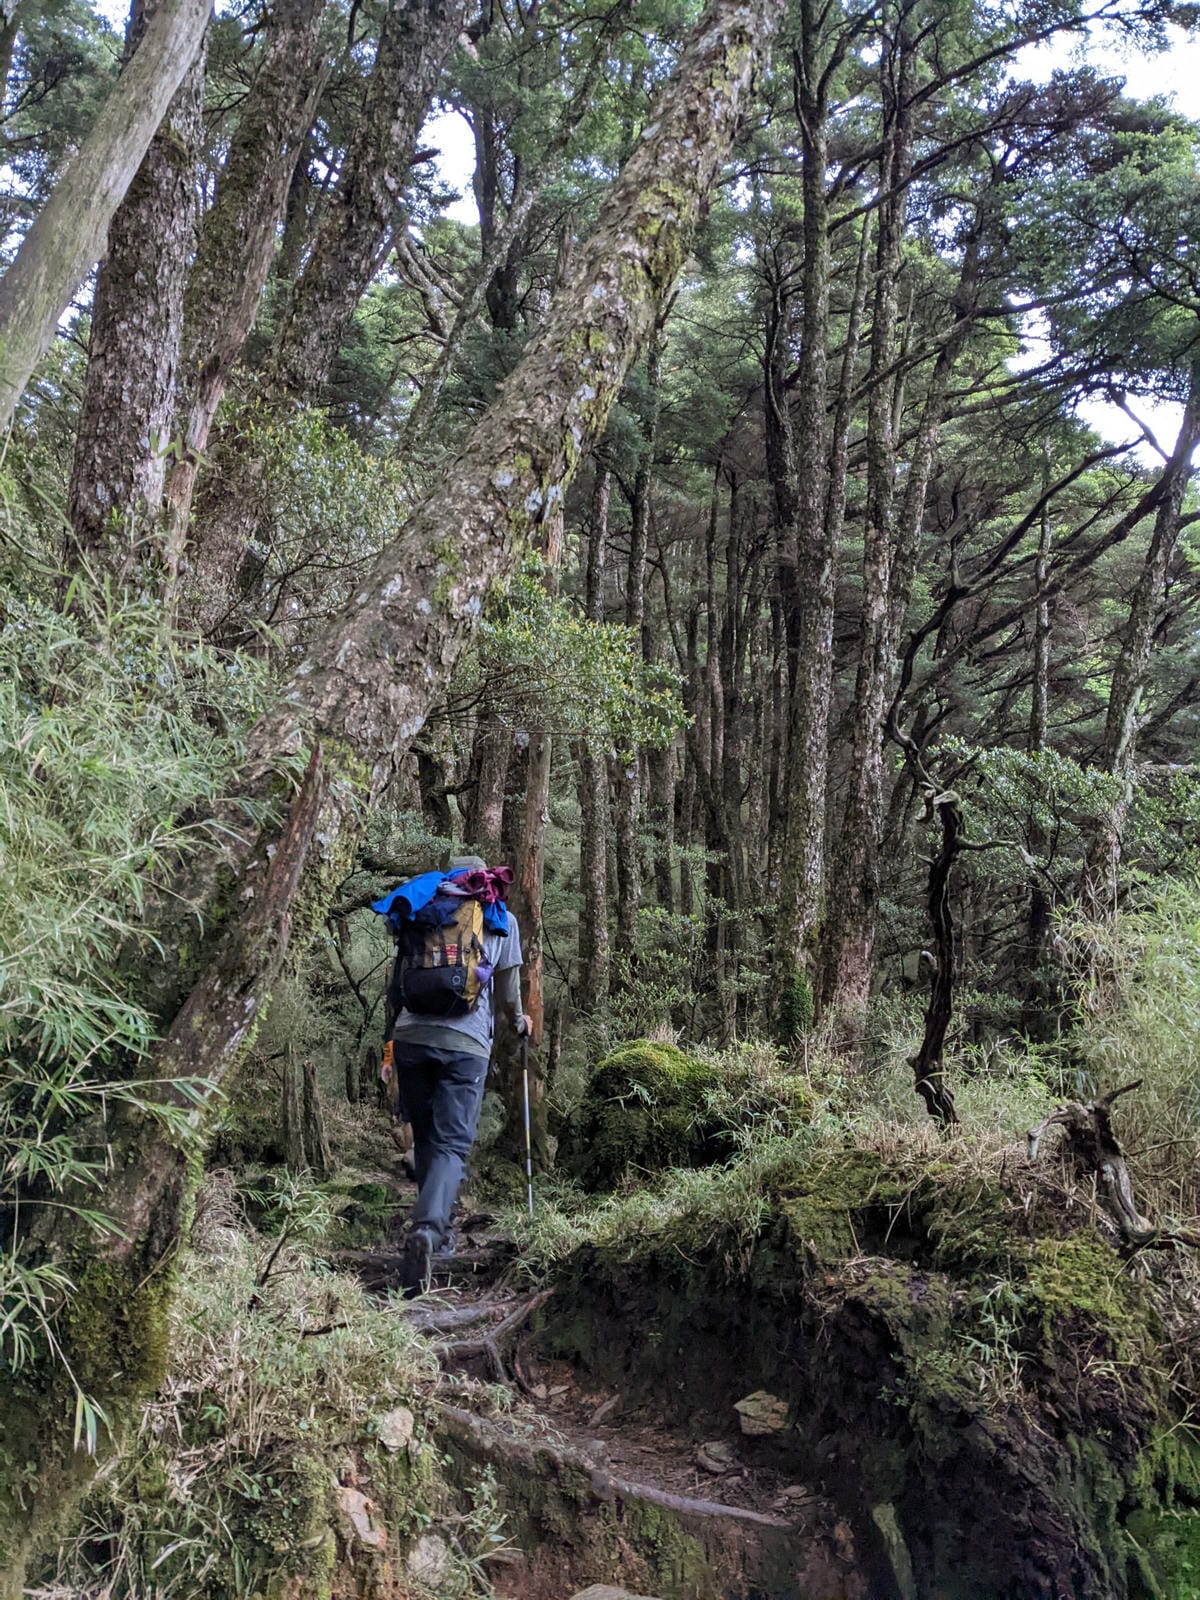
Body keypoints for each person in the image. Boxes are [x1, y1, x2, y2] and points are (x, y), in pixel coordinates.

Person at [388, 853, 528, 1298]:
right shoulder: (497, 915)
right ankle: (429, 1232)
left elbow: (396, 985)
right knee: (452, 1142)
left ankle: (437, 1232)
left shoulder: (423, 908)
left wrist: (391, 1044)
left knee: (427, 1135)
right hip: (465, 1046)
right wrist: (521, 1020)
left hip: (411, 1036)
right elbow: (507, 992)